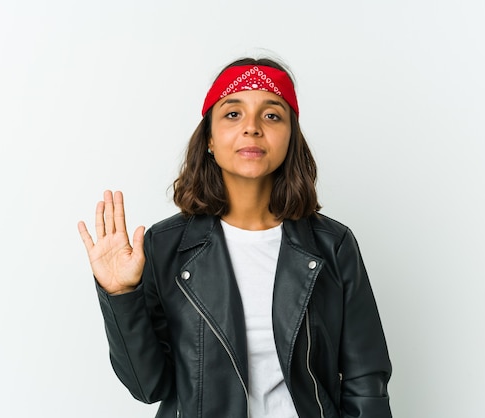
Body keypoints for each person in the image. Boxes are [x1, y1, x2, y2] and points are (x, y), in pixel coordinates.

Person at [78, 57, 392, 418]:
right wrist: (120, 297)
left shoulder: (332, 244)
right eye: (233, 114)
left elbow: (366, 380)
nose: (252, 128)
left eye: (272, 115)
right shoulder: (165, 246)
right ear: (210, 138)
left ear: (291, 136)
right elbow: (149, 386)